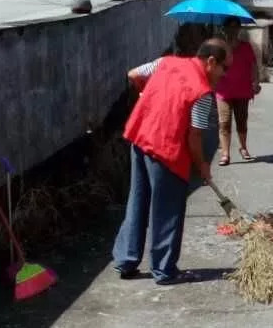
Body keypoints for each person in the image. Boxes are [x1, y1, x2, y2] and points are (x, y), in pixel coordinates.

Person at [111, 37, 230, 285]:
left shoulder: (165, 63)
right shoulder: (202, 91)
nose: (224, 74)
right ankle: (164, 270)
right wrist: (203, 167)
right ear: (210, 61)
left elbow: (133, 74)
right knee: (167, 211)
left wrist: (146, 92)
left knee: (138, 201)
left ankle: (126, 260)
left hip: (141, 138)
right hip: (166, 149)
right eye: (223, 67)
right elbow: (194, 136)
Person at [215, 16, 261, 165]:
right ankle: (225, 154)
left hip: (242, 90)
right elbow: (212, 66)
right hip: (223, 91)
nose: (233, 30)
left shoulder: (245, 46)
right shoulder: (220, 48)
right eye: (230, 27)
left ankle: (243, 148)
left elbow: (253, 65)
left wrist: (256, 82)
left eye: (236, 27)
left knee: (242, 121)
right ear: (224, 29)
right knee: (224, 122)